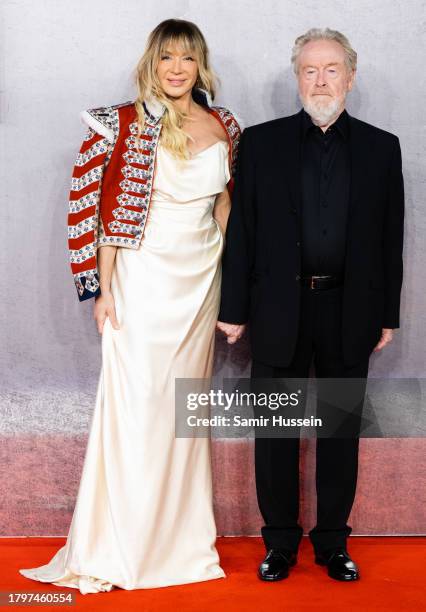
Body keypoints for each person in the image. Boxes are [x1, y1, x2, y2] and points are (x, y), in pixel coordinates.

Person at [19, 19, 241, 594]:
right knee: (136, 412)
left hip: (201, 285)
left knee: (182, 419)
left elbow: (226, 211)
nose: (176, 69)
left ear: (200, 67)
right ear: (151, 62)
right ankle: (118, 543)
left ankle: (179, 544)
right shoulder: (116, 122)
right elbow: (88, 208)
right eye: (166, 57)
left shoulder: (225, 126)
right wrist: (100, 289)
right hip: (140, 283)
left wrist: (243, 290)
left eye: (187, 59)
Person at [217, 28, 404, 582]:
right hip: (279, 308)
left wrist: (388, 312)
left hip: (350, 311)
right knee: (275, 432)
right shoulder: (262, 142)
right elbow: (242, 233)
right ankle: (279, 544)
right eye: (309, 70)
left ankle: (331, 544)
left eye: (330, 70)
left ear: (350, 76)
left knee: (338, 433)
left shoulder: (381, 146)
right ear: (297, 77)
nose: (319, 80)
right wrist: (234, 308)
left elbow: (390, 237)